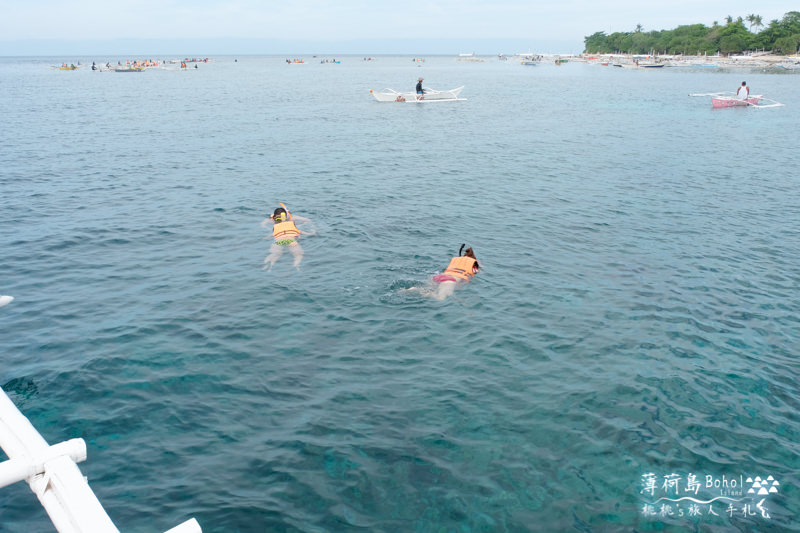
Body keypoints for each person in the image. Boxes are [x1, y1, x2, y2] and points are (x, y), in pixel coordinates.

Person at [403, 245, 480, 300]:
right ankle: (416, 290)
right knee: (440, 298)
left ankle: (415, 289)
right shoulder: (473, 267)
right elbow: (465, 281)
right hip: (449, 281)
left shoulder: (456, 261)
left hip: (438, 276)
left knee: (430, 290)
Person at [261, 204, 315, 271]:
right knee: (298, 254)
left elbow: (271, 234)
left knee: (275, 254)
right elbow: (303, 230)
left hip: (278, 242)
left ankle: (269, 265)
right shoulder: (291, 222)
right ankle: (296, 265)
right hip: (291, 241)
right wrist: (312, 232)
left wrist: (266, 236)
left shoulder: (275, 224)